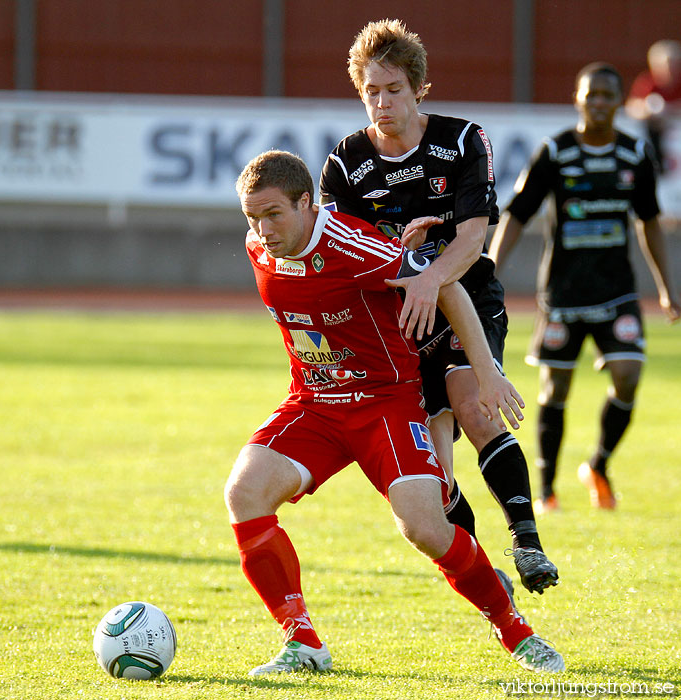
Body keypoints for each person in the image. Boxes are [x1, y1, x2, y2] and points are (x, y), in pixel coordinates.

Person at [225, 149, 564, 676]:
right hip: (314, 403)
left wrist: (487, 371)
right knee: (243, 493)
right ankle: (303, 642)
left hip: (385, 404)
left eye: (274, 215)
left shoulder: (353, 246)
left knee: (425, 529)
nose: (262, 230)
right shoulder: (259, 248)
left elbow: (446, 286)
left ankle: (514, 629)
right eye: (253, 218)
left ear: (307, 204)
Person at [319, 19, 558, 595]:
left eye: (393, 89)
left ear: (418, 88)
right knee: (433, 475)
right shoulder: (345, 166)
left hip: (467, 297)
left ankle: (527, 541)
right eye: (371, 91)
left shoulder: (462, 141)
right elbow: (343, 257)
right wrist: (402, 266)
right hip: (397, 319)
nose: (382, 103)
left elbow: (474, 239)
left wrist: (428, 280)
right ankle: (483, 569)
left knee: (472, 406)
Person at [489, 62, 680, 513]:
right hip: (564, 293)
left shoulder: (634, 155)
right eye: (589, 94)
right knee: (555, 389)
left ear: (619, 102)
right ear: (577, 99)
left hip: (618, 292)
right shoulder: (555, 152)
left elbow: (649, 222)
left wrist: (666, 288)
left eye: (606, 95)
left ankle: (599, 463)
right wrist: (491, 266)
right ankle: (547, 489)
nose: (597, 103)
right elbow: (517, 213)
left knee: (629, 375)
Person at [625, 39, 681, 173]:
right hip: (658, 140)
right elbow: (632, 108)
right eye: (665, 65)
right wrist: (648, 109)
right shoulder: (647, 83)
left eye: (673, 64)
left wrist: (671, 110)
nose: (669, 69)